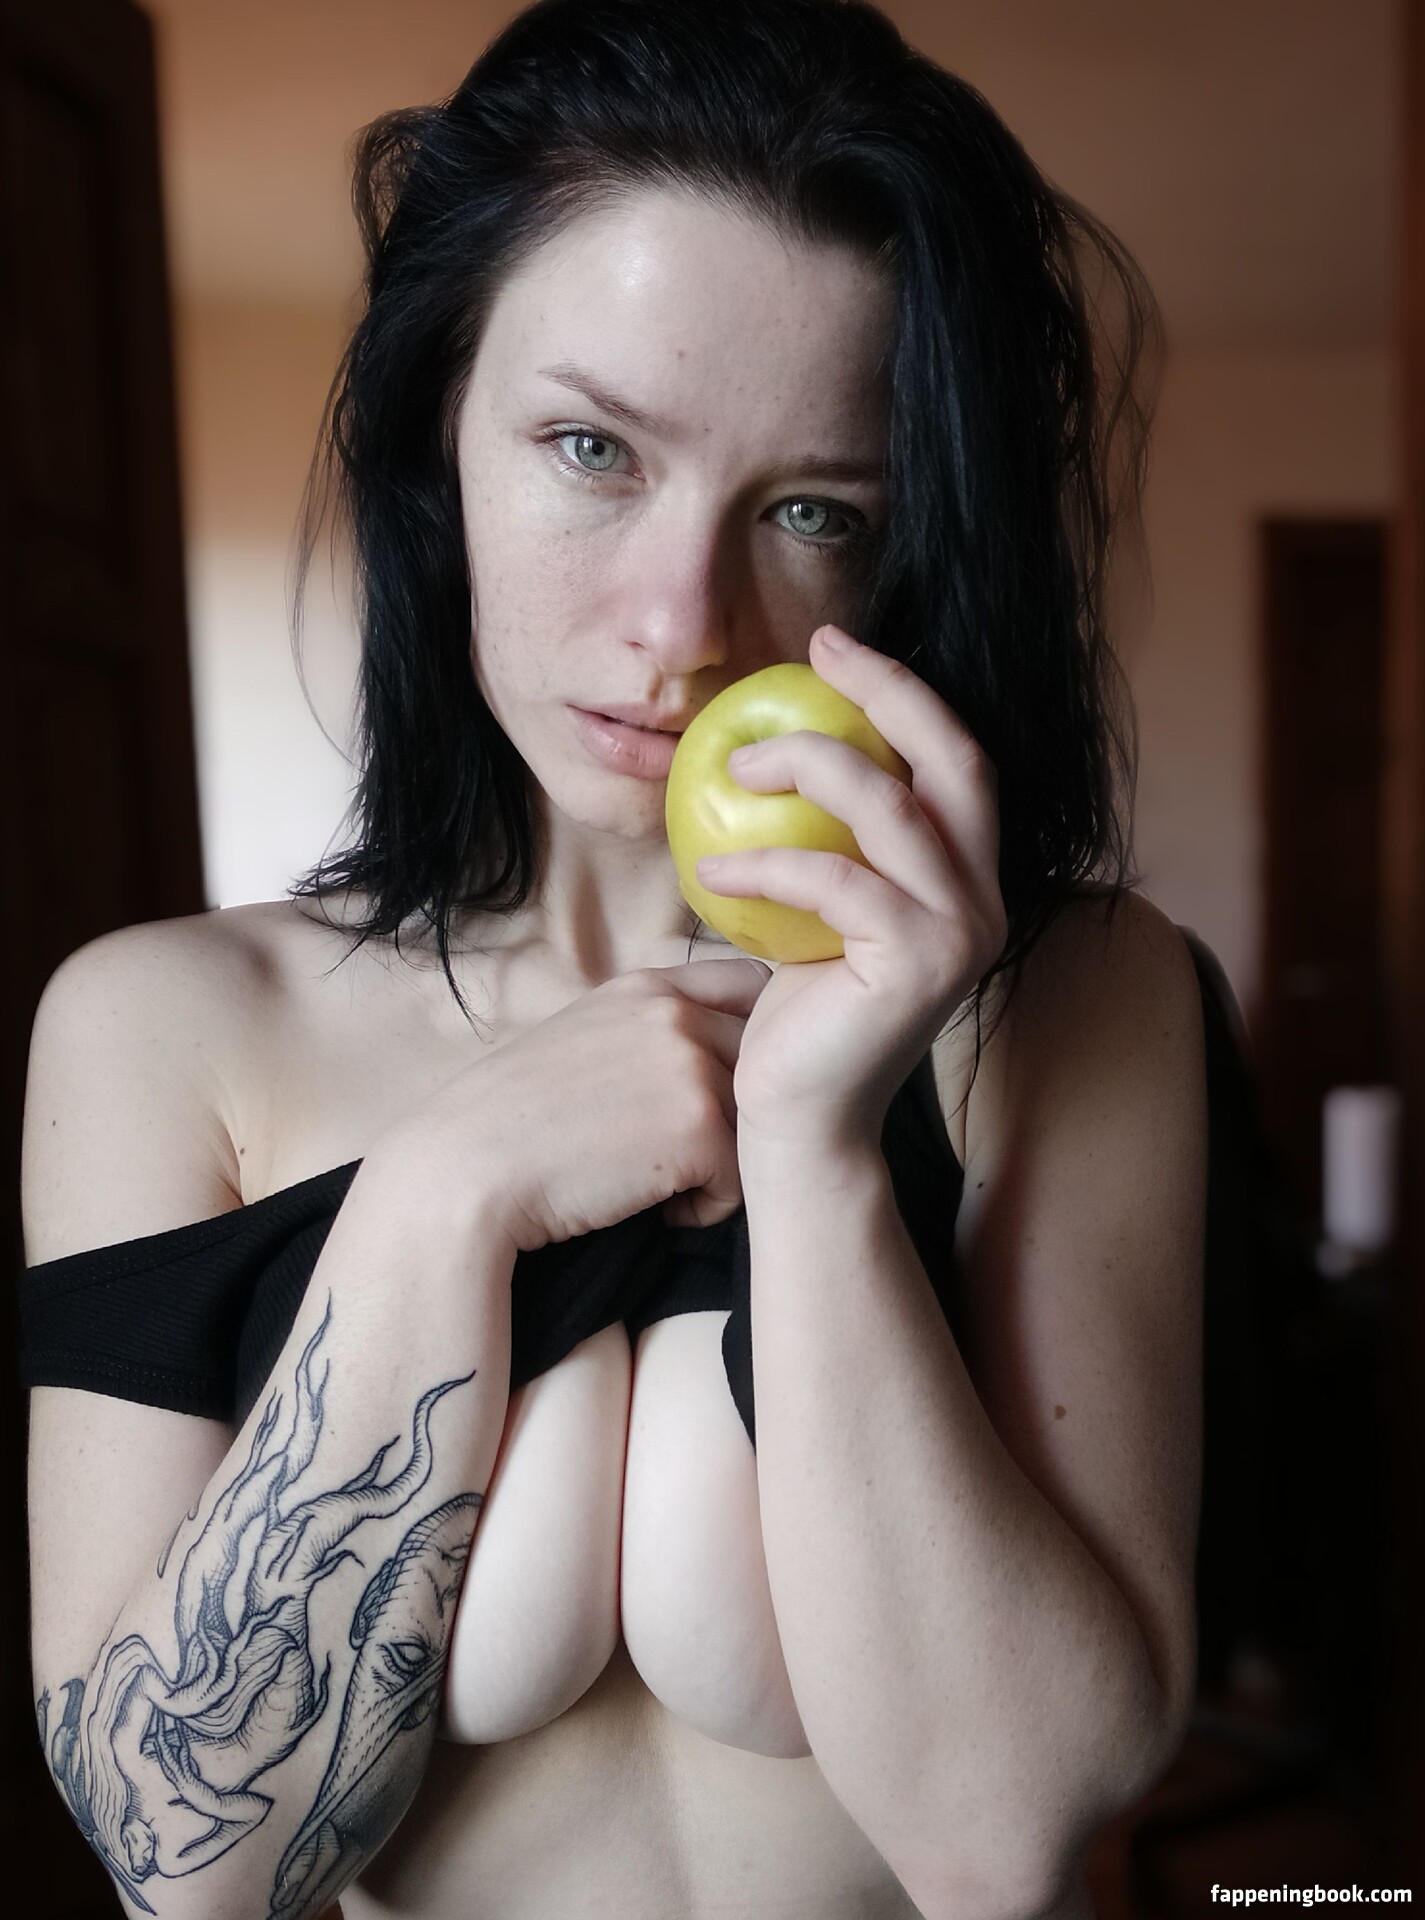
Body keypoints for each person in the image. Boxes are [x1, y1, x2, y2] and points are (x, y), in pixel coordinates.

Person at [18, 1, 1207, 1915]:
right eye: (591, 449)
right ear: (440, 428)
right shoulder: (166, 1030)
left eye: (810, 509)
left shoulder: (1070, 997)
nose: (681, 625)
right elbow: (186, 1865)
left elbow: (1004, 1838)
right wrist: (445, 1194)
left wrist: (814, 1146)